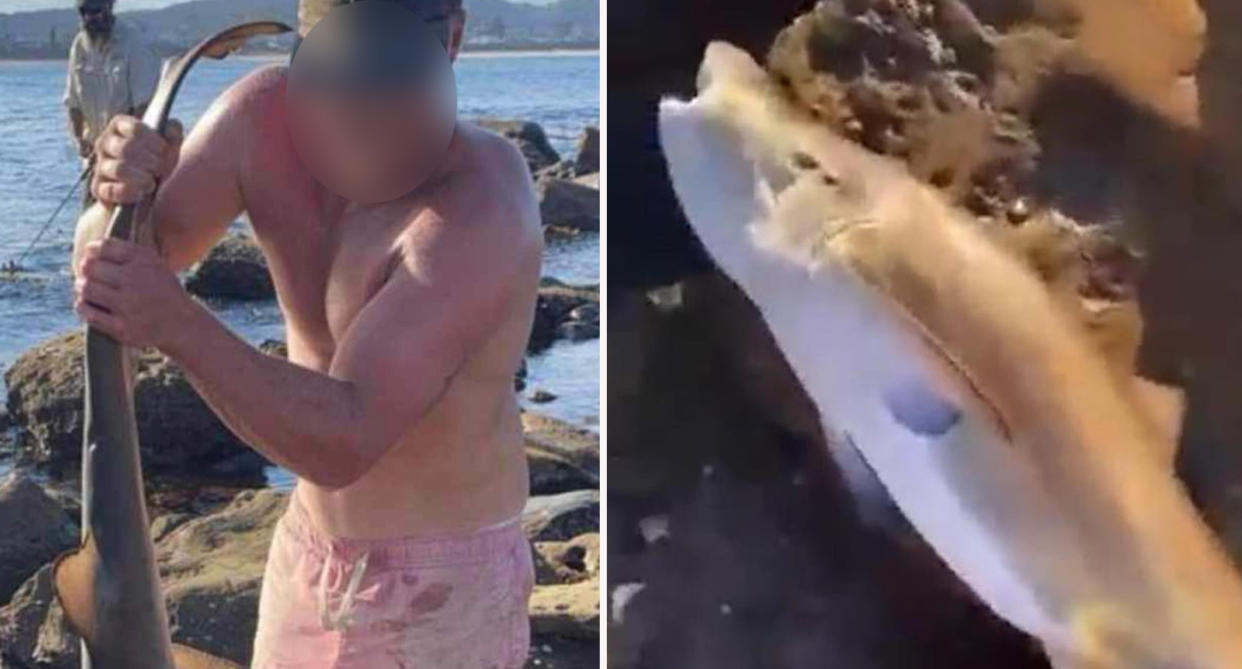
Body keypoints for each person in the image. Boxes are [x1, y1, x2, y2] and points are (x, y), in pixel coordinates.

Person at [70, 1, 542, 666]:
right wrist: (119, 195)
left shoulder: (481, 203)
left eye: (396, 66)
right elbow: (104, 269)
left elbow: (345, 438)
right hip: (308, 550)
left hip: (444, 587)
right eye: (339, 66)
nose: (364, 108)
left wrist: (174, 320)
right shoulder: (259, 119)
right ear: (305, 31)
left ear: (454, 38)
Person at [64, 0, 160, 204]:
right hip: (93, 161)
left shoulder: (135, 42)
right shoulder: (79, 45)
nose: (90, 18)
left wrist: (112, 144)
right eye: (84, 12)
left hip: (129, 160)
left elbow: (144, 107)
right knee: (89, 221)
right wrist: (79, 139)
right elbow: (72, 102)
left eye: (96, 10)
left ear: (109, 6)